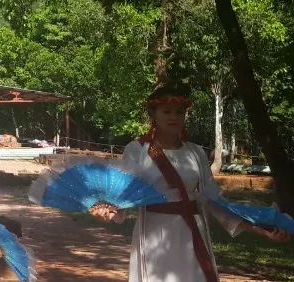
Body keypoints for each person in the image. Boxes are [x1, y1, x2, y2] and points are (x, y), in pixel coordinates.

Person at [90, 85, 290, 282]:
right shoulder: (137, 149)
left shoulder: (195, 152)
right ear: (153, 113)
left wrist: (258, 228)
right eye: (166, 111)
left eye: (179, 112)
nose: (173, 117)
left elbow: (213, 199)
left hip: (193, 231)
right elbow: (125, 193)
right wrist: (107, 211)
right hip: (155, 231)